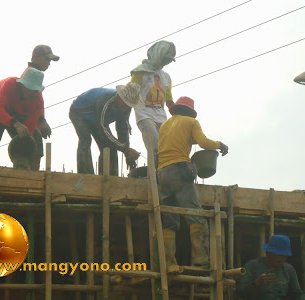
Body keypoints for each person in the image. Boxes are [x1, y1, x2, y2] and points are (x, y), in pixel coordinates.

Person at [157, 96, 228, 272]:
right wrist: (220, 144)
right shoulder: (191, 122)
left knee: (169, 219)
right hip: (179, 169)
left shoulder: (165, 125)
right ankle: (201, 259)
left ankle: (169, 263)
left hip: (162, 173)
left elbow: (182, 140)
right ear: (190, 112)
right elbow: (204, 142)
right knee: (195, 214)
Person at [0, 68, 51, 170]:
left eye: (35, 90)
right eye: (30, 89)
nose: (33, 93)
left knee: (35, 136)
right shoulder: (9, 84)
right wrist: (16, 124)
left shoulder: (36, 97)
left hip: (16, 111)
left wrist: (26, 140)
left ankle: (32, 170)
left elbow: (30, 125)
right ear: (22, 85)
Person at [69, 83, 143, 176]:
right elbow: (102, 130)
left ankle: (109, 176)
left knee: (111, 146)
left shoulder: (126, 108)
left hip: (98, 120)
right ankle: (85, 174)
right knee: (85, 139)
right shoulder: (104, 101)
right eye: (126, 104)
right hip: (79, 114)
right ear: (120, 97)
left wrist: (127, 152)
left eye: (129, 105)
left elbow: (122, 128)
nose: (127, 107)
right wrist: (125, 149)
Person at [130, 40, 176, 162]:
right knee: (155, 145)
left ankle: (162, 172)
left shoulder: (166, 77)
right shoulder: (140, 72)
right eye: (167, 57)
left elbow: (169, 102)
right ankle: (155, 173)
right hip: (144, 115)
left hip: (161, 117)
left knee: (168, 146)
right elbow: (129, 95)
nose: (168, 61)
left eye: (170, 59)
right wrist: (125, 120)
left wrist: (181, 119)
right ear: (158, 53)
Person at [20, 45, 60, 169]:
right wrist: (39, 122)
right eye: (47, 59)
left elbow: (37, 105)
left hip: (34, 121)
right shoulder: (30, 74)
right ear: (36, 57)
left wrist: (41, 121)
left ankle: (31, 169)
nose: (49, 63)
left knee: (36, 148)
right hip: (27, 121)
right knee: (34, 148)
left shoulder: (36, 75)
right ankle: (30, 172)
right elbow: (31, 106)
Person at [236, 235, 305, 300]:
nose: (283, 258)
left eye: (285, 256)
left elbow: (297, 294)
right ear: (268, 253)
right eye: (279, 254)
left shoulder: (289, 270)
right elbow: (240, 292)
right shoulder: (252, 266)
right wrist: (257, 283)